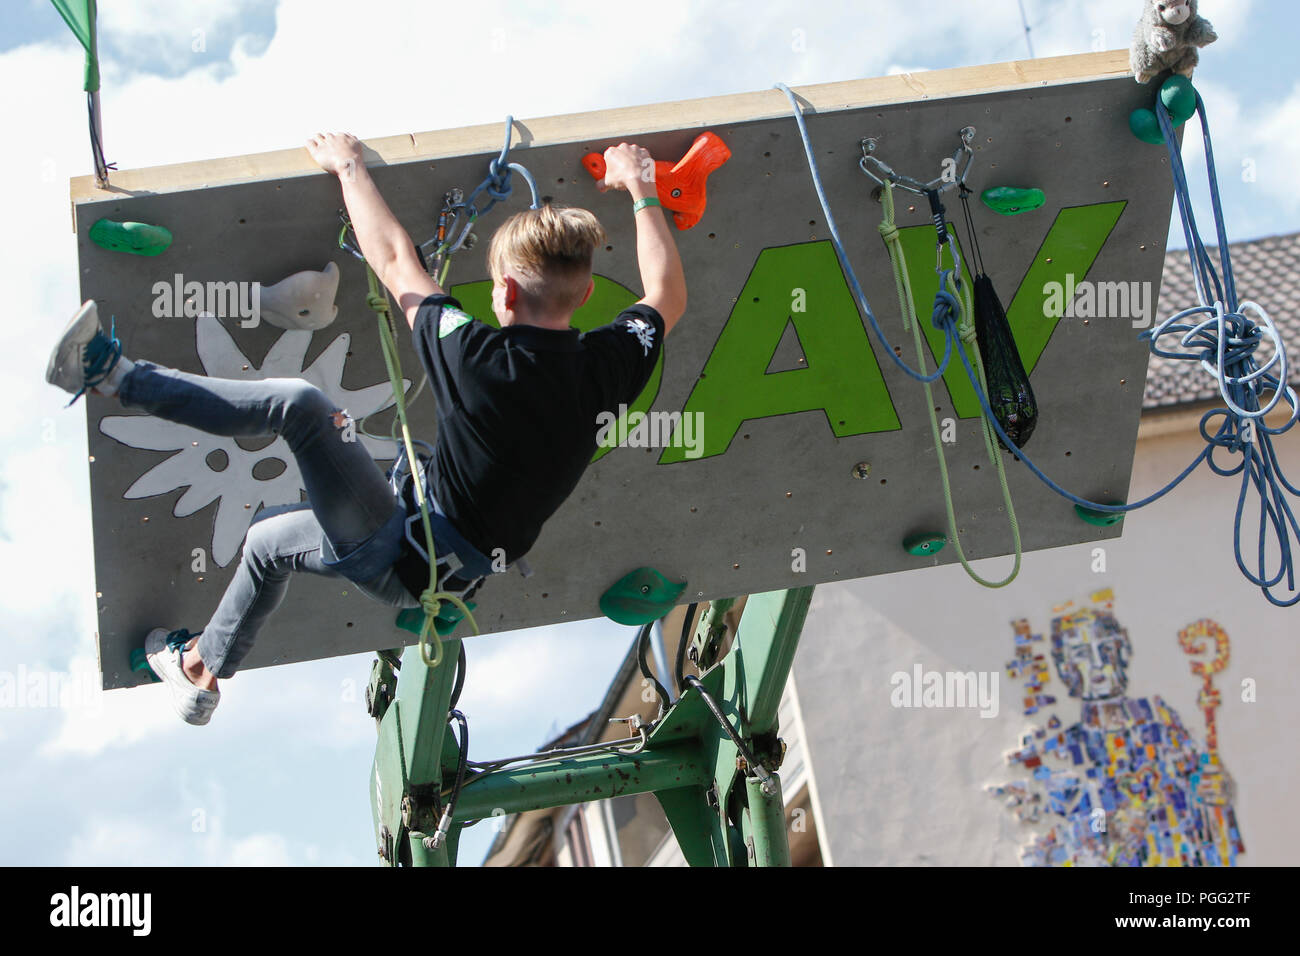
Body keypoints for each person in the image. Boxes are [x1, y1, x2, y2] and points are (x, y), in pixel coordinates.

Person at [45, 132, 686, 725]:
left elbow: (394, 260)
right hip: (432, 548)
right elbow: (665, 295)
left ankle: (107, 374)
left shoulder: (478, 359)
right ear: (584, 292)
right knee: (268, 546)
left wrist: (349, 164)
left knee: (298, 405)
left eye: (495, 287)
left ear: (508, 295)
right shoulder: (610, 366)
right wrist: (645, 188)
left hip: (403, 548)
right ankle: (198, 672)